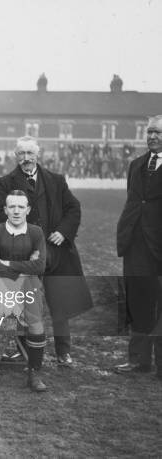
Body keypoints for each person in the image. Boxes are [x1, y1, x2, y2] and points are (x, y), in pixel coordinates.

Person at [0, 136, 92, 366]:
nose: (26, 158)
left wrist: (64, 231)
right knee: (26, 304)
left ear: (38, 154)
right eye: (21, 154)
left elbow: (73, 208)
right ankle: (24, 351)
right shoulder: (4, 183)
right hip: (24, 256)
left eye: (30, 153)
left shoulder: (56, 180)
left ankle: (64, 351)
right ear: (16, 156)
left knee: (60, 303)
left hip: (56, 252)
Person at [0, 190, 48, 392]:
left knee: (36, 324)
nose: (16, 211)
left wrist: (8, 263)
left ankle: (34, 372)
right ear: (5, 210)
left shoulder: (36, 232)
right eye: (12, 207)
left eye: (21, 207)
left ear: (28, 209)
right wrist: (23, 266)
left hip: (28, 284)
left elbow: (39, 267)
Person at [115, 115, 162, 379]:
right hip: (137, 248)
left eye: (158, 132)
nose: (153, 137)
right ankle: (139, 360)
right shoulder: (136, 165)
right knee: (138, 304)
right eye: (150, 132)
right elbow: (133, 201)